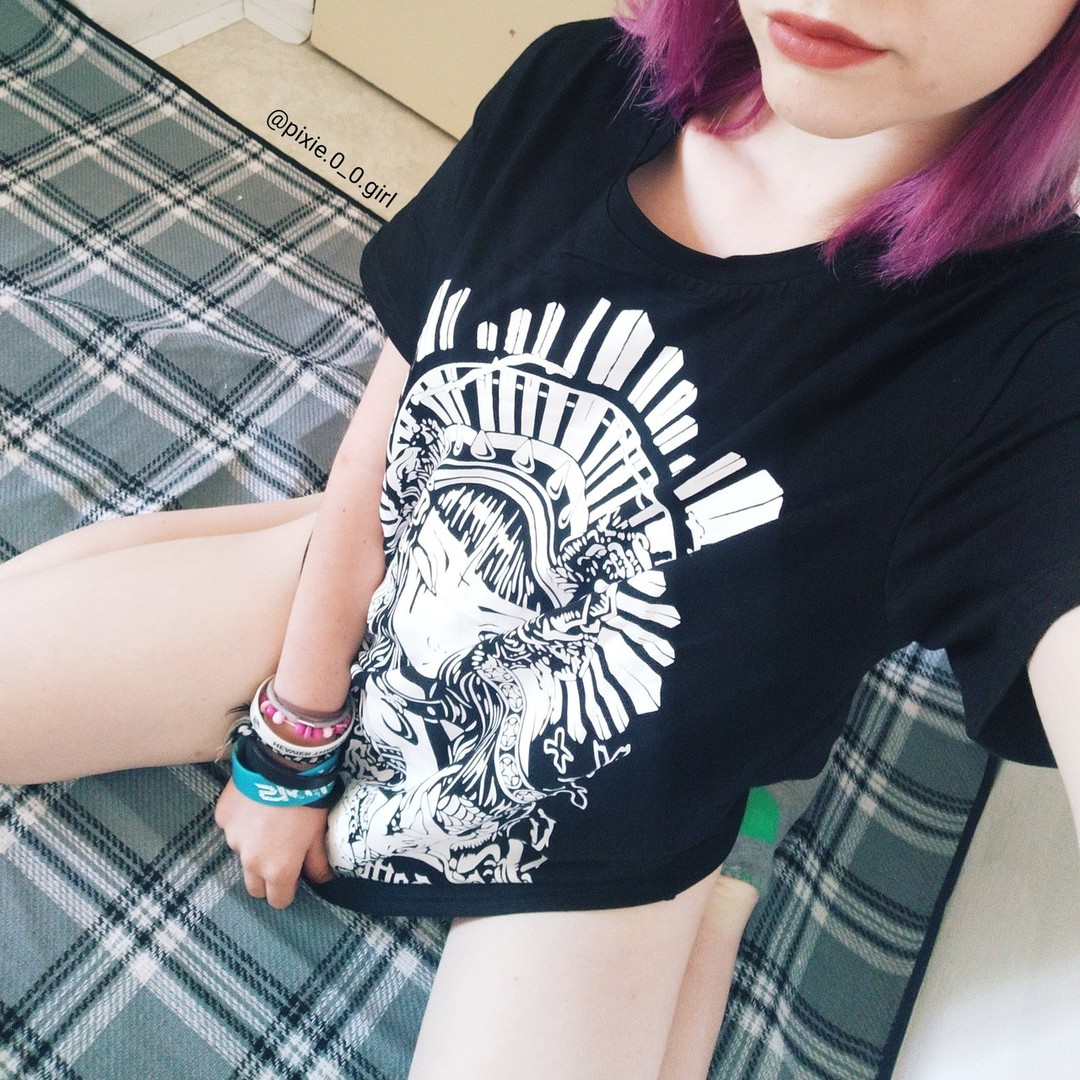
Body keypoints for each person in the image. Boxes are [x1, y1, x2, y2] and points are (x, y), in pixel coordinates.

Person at [3, 1, 1080, 1077]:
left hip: (632, 796)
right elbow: (390, 428)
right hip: (383, 569)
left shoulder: (1037, 350)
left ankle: (737, 854)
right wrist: (292, 738)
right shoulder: (578, 87)